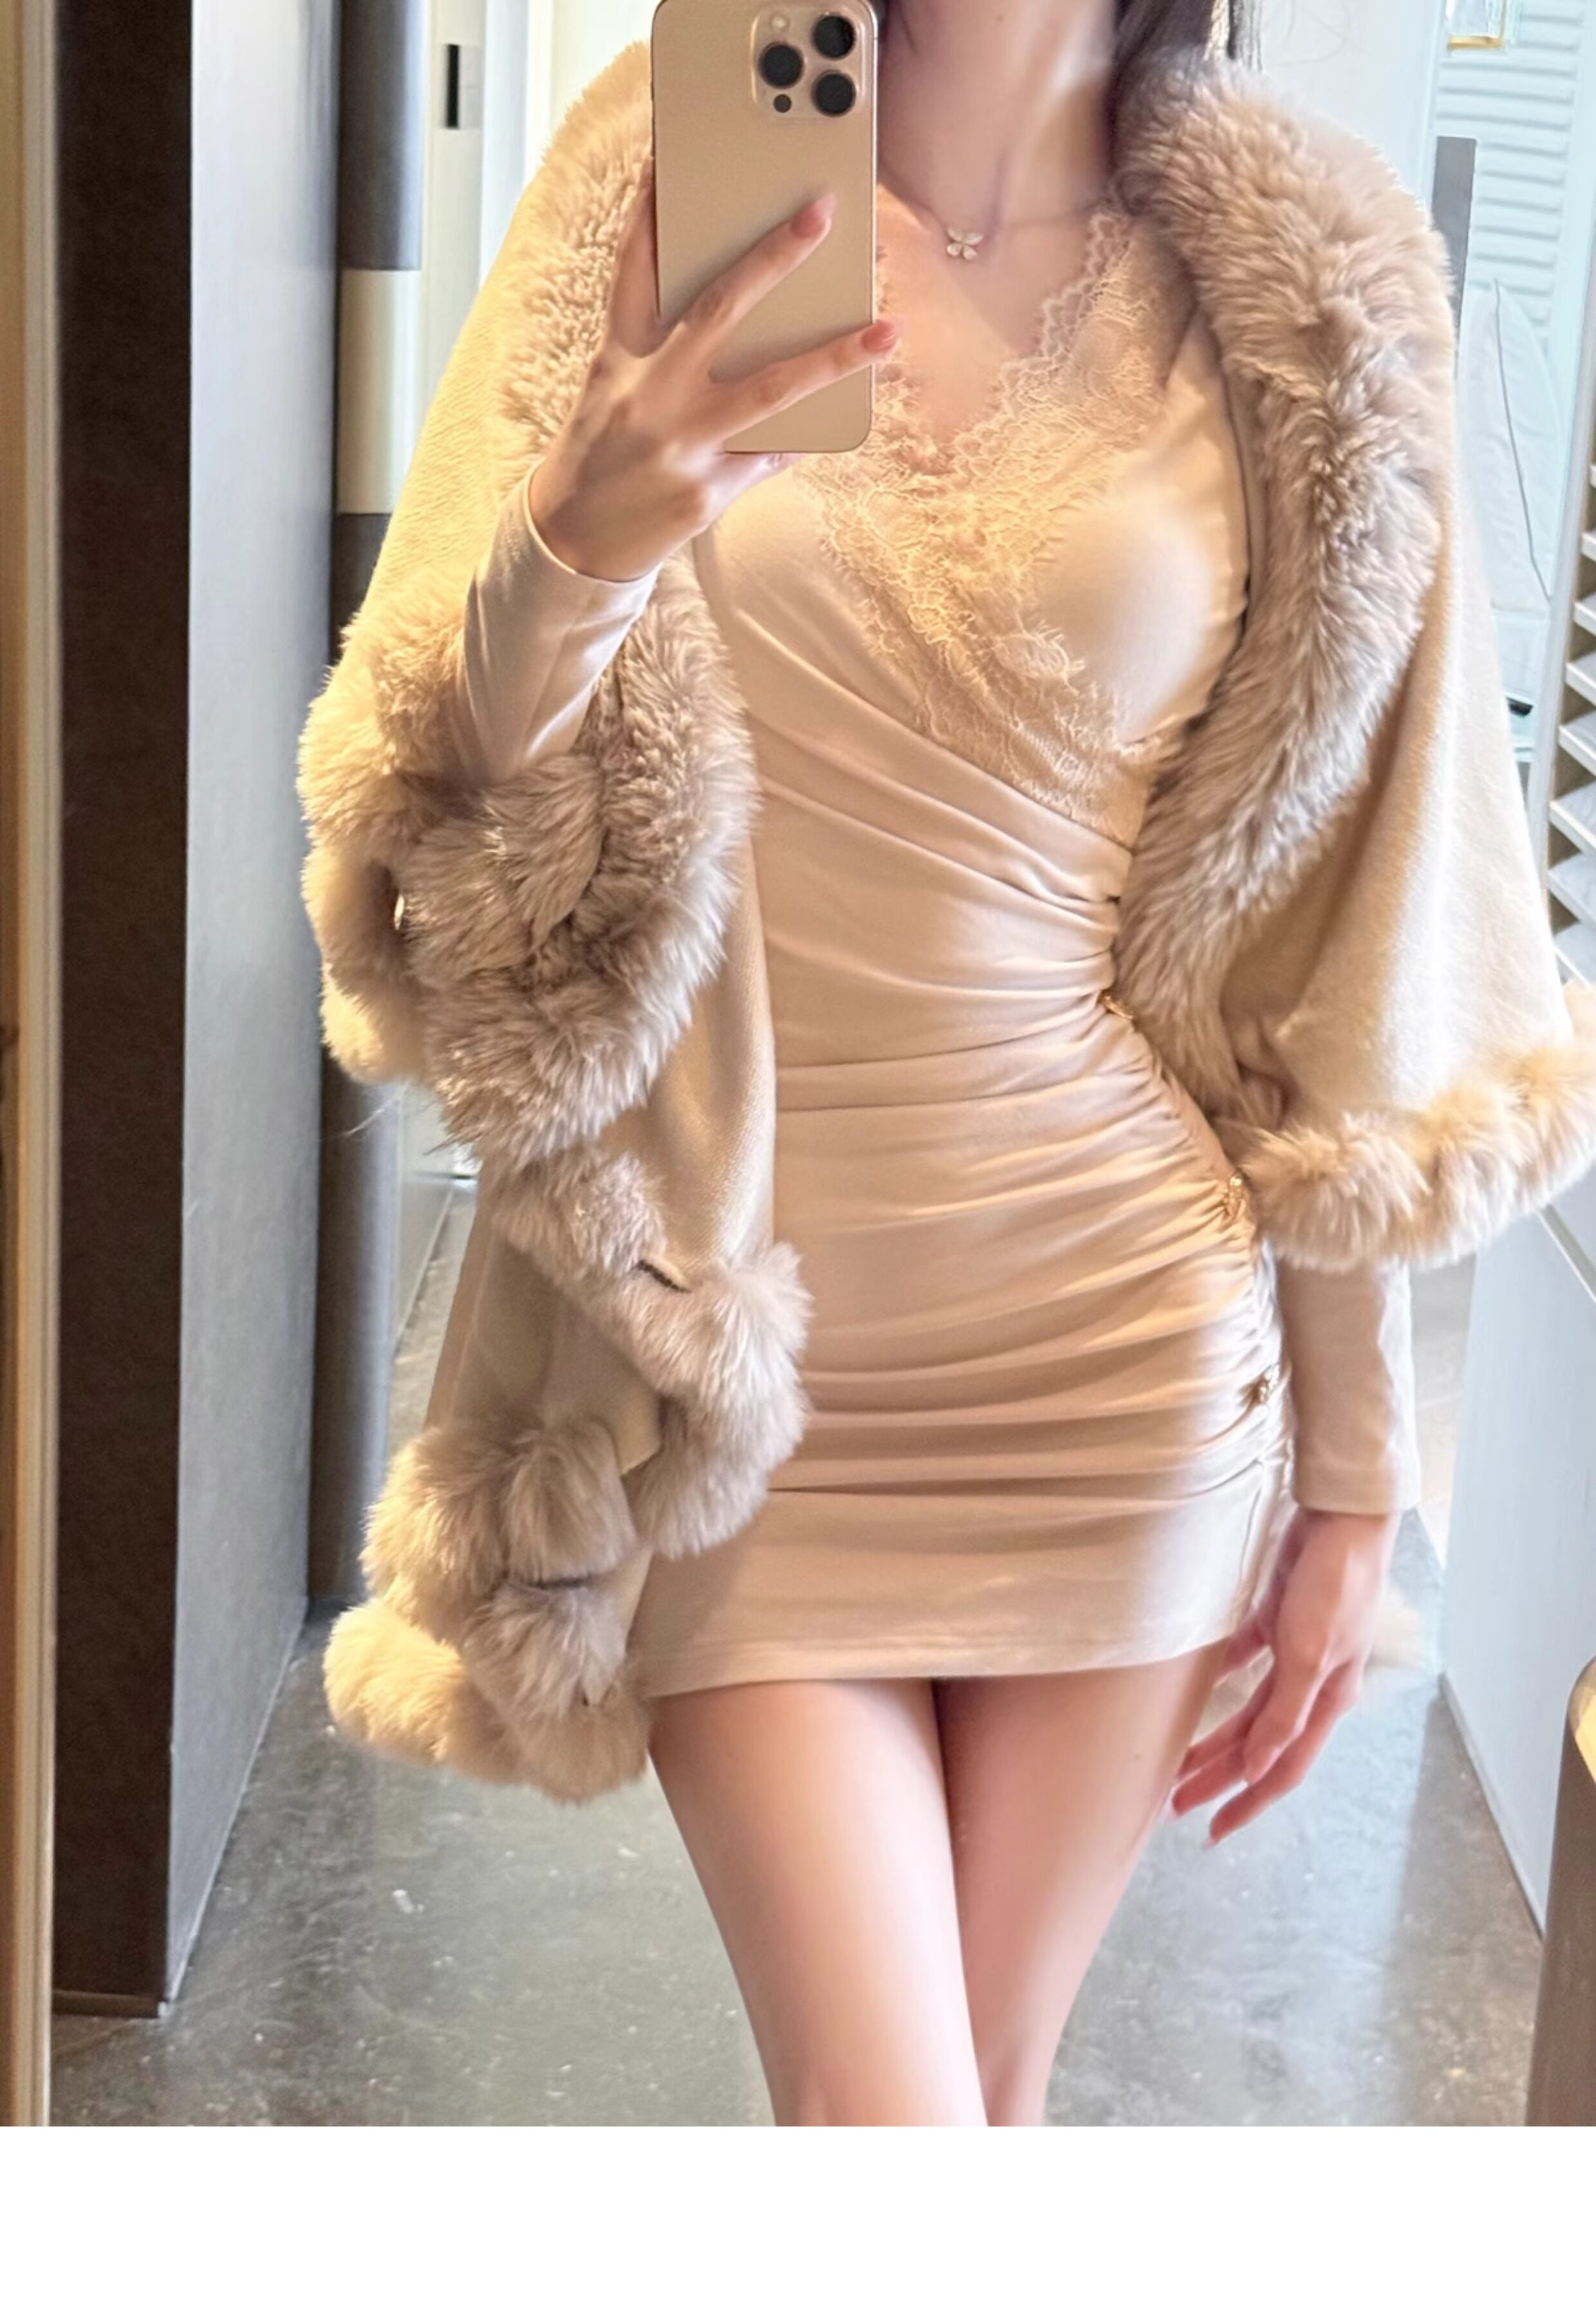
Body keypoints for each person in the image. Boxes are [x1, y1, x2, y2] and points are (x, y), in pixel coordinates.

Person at [297, 1, 1596, 2126]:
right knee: (891, 2126)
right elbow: (425, 800)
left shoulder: (1311, 297)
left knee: (966, 2116)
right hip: (739, 1383)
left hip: (1120, 1367)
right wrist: (579, 542)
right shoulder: (665, 166)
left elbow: (1326, 960)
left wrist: (1355, 1471)